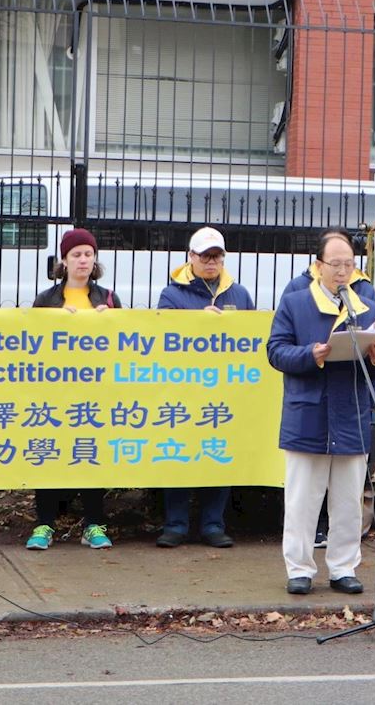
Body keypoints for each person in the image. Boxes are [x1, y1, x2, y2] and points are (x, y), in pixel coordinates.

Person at [267, 229, 375, 595]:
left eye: (349, 265)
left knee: (348, 502)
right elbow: (275, 351)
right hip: (308, 414)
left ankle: (343, 568)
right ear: (318, 266)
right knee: (303, 499)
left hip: (351, 412)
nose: (342, 272)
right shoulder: (295, 302)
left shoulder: (366, 305)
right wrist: (311, 354)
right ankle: (299, 568)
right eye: (335, 264)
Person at [154, 226, 254, 549]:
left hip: (224, 389)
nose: (212, 262)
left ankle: (213, 524)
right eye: (205, 256)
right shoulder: (172, 294)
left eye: (217, 256)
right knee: (179, 455)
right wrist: (200, 321)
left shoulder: (239, 294)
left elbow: (250, 339)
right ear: (191, 257)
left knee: (218, 454)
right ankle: (176, 524)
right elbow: (164, 338)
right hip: (184, 390)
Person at [24, 228, 117, 551]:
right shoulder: (47, 300)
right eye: (76, 254)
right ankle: (44, 523)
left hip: (93, 394)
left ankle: (94, 524)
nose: (83, 260)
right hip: (53, 394)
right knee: (49, 455)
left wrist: (111, 321)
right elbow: (30, 343)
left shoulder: (107, 298)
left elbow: (125, 344)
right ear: (64, 260)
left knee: (91, 455)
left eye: (88, 254)